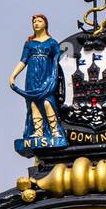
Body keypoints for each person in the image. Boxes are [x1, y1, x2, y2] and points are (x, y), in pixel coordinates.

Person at [9, 14, 66, 148]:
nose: (36, 23)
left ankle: (55, 131)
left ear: (45, 24)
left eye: (39, 21)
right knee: (33, 104)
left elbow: (58, 61)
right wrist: (13, 75)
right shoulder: (29, 44)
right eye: (34, 21)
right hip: (32, 77)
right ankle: (38, 132)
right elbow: (23, 61)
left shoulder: (52, 43)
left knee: (47, 103)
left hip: (46, 76)